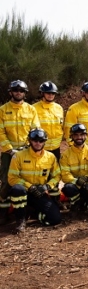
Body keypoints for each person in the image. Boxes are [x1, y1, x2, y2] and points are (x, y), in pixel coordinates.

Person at [0, 80, 40, 224]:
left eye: (21, 90)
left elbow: (35, 130)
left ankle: (25, 210)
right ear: (10, 92)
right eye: (16, 90)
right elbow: (1, 132)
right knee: (6, 182)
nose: (19, 92)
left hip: (25, 152)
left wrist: (28, 149)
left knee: (26, 180)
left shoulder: (30, 110)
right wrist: (10, 150)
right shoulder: (3, 110)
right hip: (8, 153)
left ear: (25, 93)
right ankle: (3, 212)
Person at [7, 128, 61, 232]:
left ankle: (34, 213)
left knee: (55, 219)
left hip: (39, 193)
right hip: (24, 192)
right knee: (17, 189)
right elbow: (12, 178)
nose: (38, 143)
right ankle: (20, 220)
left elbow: (57, 176)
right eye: (35, 140)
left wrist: (46, 186)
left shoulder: (50, 157)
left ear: (45, 141)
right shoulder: (18, 156)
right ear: (29, 140)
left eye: (41, 141)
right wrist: (29, 187)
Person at [60, 124, 88, 217]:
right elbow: (65, 175)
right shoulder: (66, 155)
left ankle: (86, 203)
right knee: (68, 188)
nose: (79, 137)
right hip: (74, 186)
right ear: (71, 137)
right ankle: (76, 203)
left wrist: (87, 179)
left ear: (86, 135)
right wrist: (77, 181)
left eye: (82, 134)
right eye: (76, 135)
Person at [33, 81, 64, 161]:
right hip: (41, 147)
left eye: (53, 93)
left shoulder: (59, 108)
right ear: (42, 93)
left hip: (56, 147)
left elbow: (61, 126)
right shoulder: (34, 108)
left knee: (55, 171)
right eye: (48, 93)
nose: (51, 95)